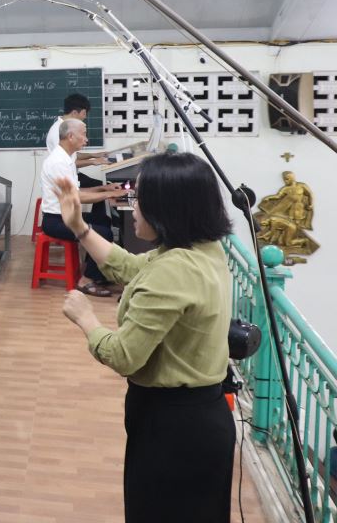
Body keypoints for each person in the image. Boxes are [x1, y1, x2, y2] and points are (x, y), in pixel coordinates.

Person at [55, 151, 234, 522]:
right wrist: (80, 228)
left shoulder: (174, 270)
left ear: (168, 209)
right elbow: (132, 267)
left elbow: (125, 356)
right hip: (203, 416)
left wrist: (86, 319)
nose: (132, 207)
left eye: (140, 200)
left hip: (173, 426)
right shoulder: (201, 250)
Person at [41, 118, 127, 296]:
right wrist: (109, 194)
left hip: (68, 216)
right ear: (70, 136)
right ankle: (86, 280)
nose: (86, 139)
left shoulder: (67, 158)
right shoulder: (58, 162)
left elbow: (77, 191)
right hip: (57, 221)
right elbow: (77, 197)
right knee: (104, 233)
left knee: (103, 220)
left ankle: (95, 269)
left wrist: (105, 188)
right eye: (84, 134)